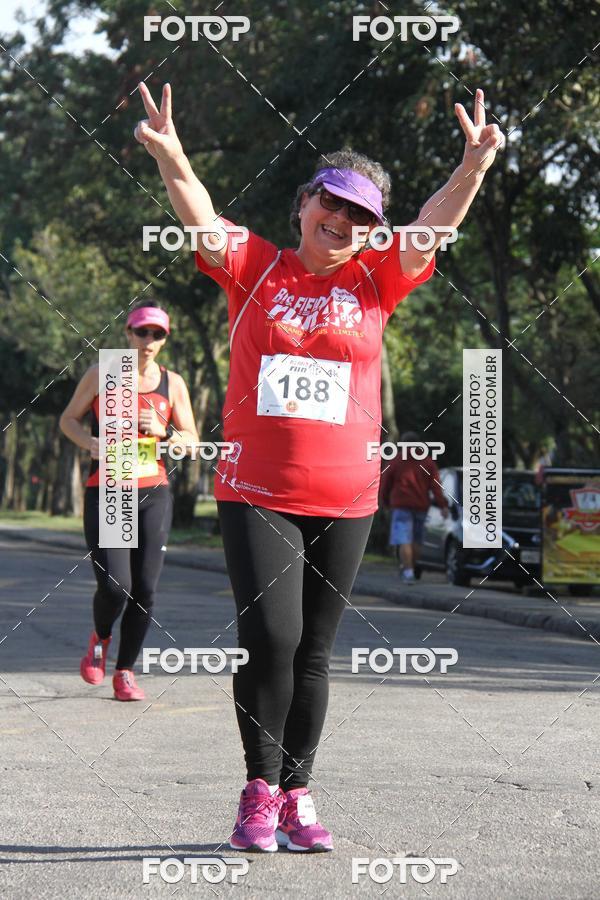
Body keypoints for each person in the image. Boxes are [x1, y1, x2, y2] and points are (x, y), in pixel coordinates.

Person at [134, 82, 503, 851]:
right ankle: (257, 790)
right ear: (304, 204)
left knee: (313, 652)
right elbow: (199, 215)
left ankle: (299, 794)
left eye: (360, 217)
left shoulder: (378, 280)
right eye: (330, 206)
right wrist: (172, 155)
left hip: (347, 497)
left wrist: (471, 167)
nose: (341, 223)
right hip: (256, 490)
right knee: (271, 635)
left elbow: (434, 223)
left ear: (373, 231)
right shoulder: (255, 269)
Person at [59, 300, 198, 700]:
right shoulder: (105, 372)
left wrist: (166, 430)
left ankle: (124, 671)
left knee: (146, 589)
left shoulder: (173, 383)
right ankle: (100, 639)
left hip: (153, 490)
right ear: (127, 333)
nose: (148, 341)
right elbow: (68, 418)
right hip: (109, 487)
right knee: (117, 586)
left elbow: (193, 442)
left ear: (164, 339)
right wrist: (90, 443)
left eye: (157, 334)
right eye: (141, 332)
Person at [379, 431, 449, 582]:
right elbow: (436, 486)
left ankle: (408, 571)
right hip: (421, 506)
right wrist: (442, 505)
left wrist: (384, 502)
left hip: (401, 505)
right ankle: (411, 568)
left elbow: (385, 484)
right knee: (417, 540)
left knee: (404, 539)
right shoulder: (428, 462)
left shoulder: (395, 461)